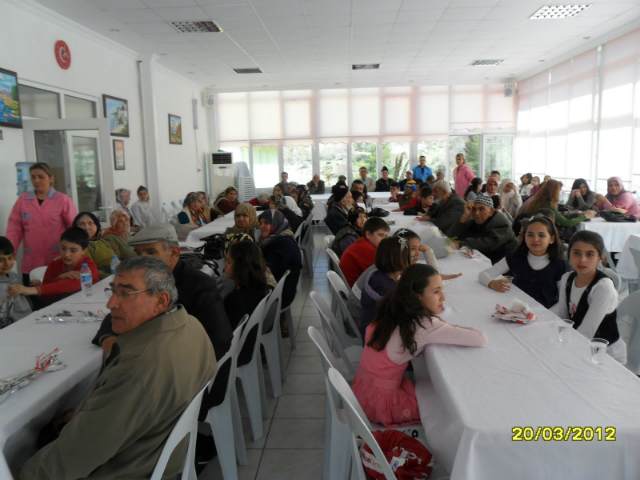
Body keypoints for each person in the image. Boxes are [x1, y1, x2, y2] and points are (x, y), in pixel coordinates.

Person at [17, 256, 215, 480]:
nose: (111, 304)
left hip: (128, 466)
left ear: (161, 301)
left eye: (126, 293)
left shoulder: (138, 367)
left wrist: (22, 474)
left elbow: (76, 457)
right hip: (158, 448)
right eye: (112, 291)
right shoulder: (191, 325)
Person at [352, 264, 488, 427]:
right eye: (436, 291)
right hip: (382, 404)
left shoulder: (393, 306)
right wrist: (443, 324)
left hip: (362, 391)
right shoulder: (422, 325)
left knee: (431, 388)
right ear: (417, 296)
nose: (443, 297)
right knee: (451, 409)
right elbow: (480, 338)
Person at [92, 223, 232, 362]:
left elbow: (220, 340)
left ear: (174, 253)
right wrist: (107, 338)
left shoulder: (199, 285)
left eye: (151, 253)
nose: (143, 260)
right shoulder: (146, 281)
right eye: (138, 253)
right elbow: (118, 311)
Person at [551, 231, 626, 364]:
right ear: (569, 254)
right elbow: (563, 318)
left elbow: (586, 332)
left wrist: (562, 353)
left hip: (606, 356)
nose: (582, 260)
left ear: (600, 258)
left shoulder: (602, 288)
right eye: (577, 253)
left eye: (590, 254)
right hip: (579, 346)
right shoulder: (567, 279)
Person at [6, 162, 78, 285]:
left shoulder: (62, 200)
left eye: (41, 176)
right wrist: (8, 252)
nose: (36, 180)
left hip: (57, 258)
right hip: (31, 260)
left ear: (51, 178)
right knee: (33, 298)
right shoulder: (23, 200)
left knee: (56, 296)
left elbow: (74, 229)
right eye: (33, 177)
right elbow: (14, 229)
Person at [478, 216, 566, 308]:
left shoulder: (559, 264)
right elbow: (483, 274)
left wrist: (546, 315)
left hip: (545, 314)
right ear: (524, 237)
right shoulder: (515, 257)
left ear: (552, 239)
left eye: (541, 235)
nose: (535, 239)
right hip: (516, 310)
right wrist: (492, 283)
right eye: (530, 234)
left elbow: (562, 300)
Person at [9, 227, 99, 307]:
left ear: (84, 251)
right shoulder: (54, 265)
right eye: (63, 248)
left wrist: (32, 290)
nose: (67, 254)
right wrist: (60, 277)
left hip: (88, 305)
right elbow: (44, 299)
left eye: (73, 250)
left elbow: (71, 284)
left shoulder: (88, 265)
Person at [359, 236, 413, 340]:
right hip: (378, 340)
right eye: (409, 256)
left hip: (370, 330)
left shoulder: (376, 275)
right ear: (401, 259)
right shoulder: (388, 289)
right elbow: (408, 316)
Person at [258, 210, 301, 336]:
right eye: (260, 223)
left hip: (282, 294)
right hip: (283, 289)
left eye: (266, 223)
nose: (261, 226)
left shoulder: (282, 244)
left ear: (276, 223)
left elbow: (269, 270)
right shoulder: (278, 238)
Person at [447, 196, 519, 264]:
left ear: (491, 211)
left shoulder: (502, 225)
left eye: (481, 209)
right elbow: (452, 236)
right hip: (486, 260)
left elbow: (487, 244)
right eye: (474, 209)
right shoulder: (477, 222)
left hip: (507, 266)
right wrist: (465, 215)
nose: (476, 213)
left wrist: (459, 244)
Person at [223, 241, 272, 329]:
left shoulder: (235, 300)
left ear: (241, 267)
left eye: (229, 262)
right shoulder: (259, 287)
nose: (224, 265)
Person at [340, 217, 390, 286]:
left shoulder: (363, 242)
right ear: (368, 234)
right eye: (381, 235)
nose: (384, 240)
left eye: (386, 236)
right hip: (356, 291)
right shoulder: (367, 249)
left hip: (355, 286)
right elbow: (383, 275)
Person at [525, 179, 596, 228]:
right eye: (559, 191)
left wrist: (578, 213)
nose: (559, 194)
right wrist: (585, 216)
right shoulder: (547, 206)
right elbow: (567, 223)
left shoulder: (541, 201)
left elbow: (558, 215)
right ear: (553, 192)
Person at [74, 212, 119, 279]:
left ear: (97, 226)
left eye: (90, 223)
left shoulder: (102, 241)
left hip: (116, 271)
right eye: (82, 224)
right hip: (106, 277)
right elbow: (91, 270)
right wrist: (114, 277)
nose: (87, 227)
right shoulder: (82, 246)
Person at [0, 237, 32, 328]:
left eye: (10, 258)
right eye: (1, 260)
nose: (7, 263)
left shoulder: (13, 276)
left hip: (25, 322)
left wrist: (27, 288)